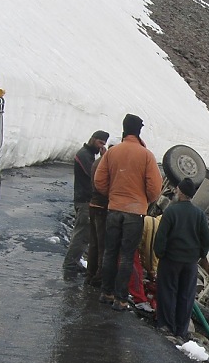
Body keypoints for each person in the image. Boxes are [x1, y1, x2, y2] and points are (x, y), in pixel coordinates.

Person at [94, 114, 162, 311]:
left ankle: (106, 293)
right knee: (126, 255)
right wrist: (143, 200)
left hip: (114, 209)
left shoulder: (112, 153)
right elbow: (155, 188)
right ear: (138, 131)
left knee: (110, 252)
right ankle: (121, 298)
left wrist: (113, 195)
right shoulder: (146, 155)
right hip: (134, 213)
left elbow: (99, 181)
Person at [153, 178, 209, 339]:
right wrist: (200, 254)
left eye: (178, 189)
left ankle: (166, 325)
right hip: (190, 263)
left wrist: (159, 253)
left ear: (181, 192)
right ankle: (181, 330)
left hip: (171, 260)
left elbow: (161, 237)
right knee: (186, 296)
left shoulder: (171, 211)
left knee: (168, 291)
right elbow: (207, 239)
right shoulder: (199, 214)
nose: (176, 192)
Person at [63, 131, 109, 279]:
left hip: (85, 200)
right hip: (84, 201)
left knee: (84, 234)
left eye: (103, 143)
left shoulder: (88, 155)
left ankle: (74, 261)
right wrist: (104, 159)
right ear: (93, 139)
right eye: (100, 142)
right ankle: (70, 264)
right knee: (81, 235)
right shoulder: (83, 155)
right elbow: (95, 176)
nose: (101, 146)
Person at [84, 154, 108, 287]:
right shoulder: (106, 163)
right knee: (103, 244)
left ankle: (90, 274)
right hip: (102, 207)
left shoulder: (97, 162)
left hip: (94, 205)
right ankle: (99, 276)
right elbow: (102, 185)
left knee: (94, 243)